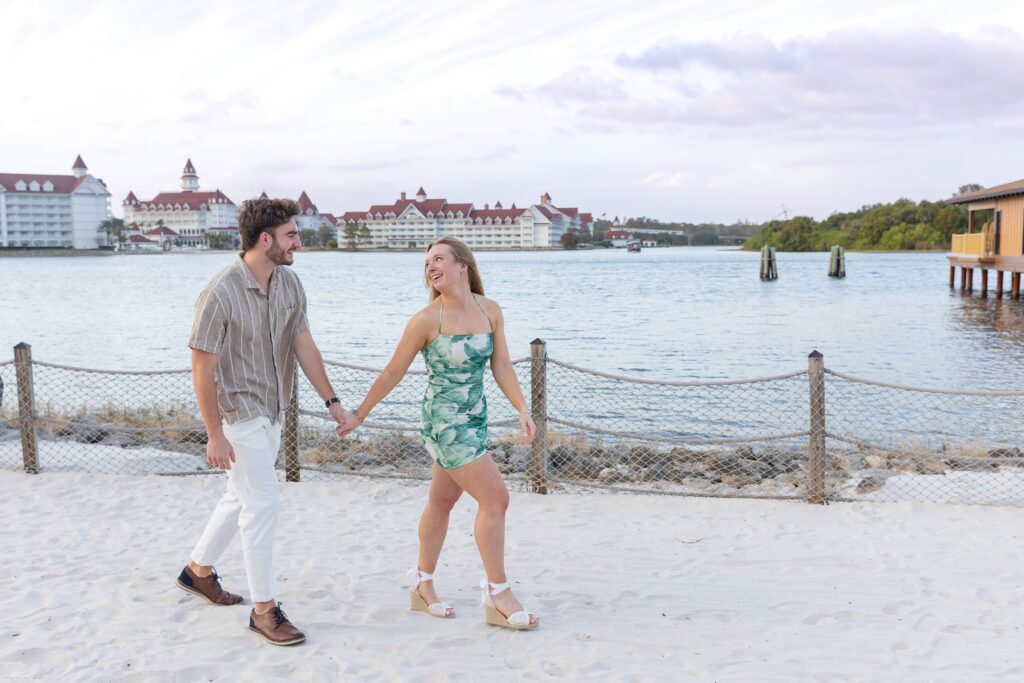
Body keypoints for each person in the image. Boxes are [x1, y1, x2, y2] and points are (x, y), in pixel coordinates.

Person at [337, 236, 540, 630]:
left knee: (442, 501)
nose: (431, 267)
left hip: (475, 417)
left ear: (462, 264)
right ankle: (498, 594)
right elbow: (393, 371)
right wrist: (359, 413)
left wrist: (522, 408)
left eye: (439, 259)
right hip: (444, 423)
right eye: (427, 262)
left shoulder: (490, 310)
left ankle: (422, 583)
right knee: (496, 498)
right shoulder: (427, 319)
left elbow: (501, 366)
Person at [177, 198, 351, 646]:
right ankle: (264, 610)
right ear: (265, 239)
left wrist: (333, 403)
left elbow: (304, 346)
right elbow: (203, 368)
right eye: (292, 234)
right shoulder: (220, 292)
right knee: (262, 505)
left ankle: (198, 571)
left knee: (240, 496)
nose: (300, 241)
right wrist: (214, 433)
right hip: (238, 414)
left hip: (274, 410)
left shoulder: (290, 284)